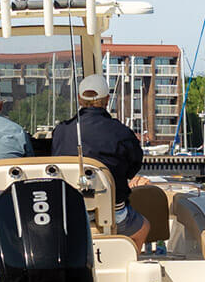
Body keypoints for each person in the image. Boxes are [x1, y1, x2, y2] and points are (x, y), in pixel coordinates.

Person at [51, 74, 150, 247]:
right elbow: (133, 168)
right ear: (107, 99)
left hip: (70, 212)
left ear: (80, 100)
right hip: (111, 214)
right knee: (143, 228)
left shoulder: (61, 131)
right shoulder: (122, 133)